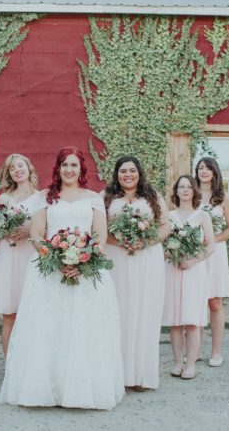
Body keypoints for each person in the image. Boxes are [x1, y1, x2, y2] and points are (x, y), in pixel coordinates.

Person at [0, 147, 125, 410]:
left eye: (74, 165)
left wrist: (83, 260)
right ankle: (46, 387)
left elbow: (100, 235)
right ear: (58, 168)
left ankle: (81, 388)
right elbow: (36, 234)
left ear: (81, 169)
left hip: (86, 269)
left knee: (82, 325)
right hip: (49, 269)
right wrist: (56, 259)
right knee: (48, 325)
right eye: (65, 165)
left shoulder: (92, 198)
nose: (69, 170)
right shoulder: (46, 197)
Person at [103, 156, 171, 392]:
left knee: (144, 311)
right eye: (123, 171)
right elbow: (99, 229)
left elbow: (165, 226)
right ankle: (118, 374)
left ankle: (141, 374)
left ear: (139, 173)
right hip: (116, 258)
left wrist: (144, 242)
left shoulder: (153, 196)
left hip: (147, 258)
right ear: (116, 174)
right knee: (118, 311)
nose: (128, 175)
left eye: (132, 170)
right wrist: (120, 241)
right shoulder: (107, 197)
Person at [0, 154, 45, 356]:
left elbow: (48, 227)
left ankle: (29, 364)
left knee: (32, 315)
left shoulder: (42, 197)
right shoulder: (4, 198)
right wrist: (5, 231)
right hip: (9, 256)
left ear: (29, 168)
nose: (17, 170)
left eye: (20, 165)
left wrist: (29, 231)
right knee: (9, 315)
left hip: (30, 254)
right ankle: (9, 365)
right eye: (12, 168)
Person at [163, 175, 216, 380]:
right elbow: (161, 243)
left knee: (192, 320)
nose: (185, 190)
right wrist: (170, 254)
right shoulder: (168, 216)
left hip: (194, 271)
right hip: (173, 269)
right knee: (175, 321)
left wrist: (193, 261)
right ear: (176, 191)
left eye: (189, 187)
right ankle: (177, 363)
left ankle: (191, 364)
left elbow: (210, 245)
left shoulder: (202, 216)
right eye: (181, 187)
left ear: (194, 191)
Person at [195, 157, 229, 367]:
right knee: (195, 302)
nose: (203, 171)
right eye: (200, 168)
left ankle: (216, 352)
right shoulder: (190, 196)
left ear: (215, 172)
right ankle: (194, 351)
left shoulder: (223, 199)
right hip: (194, 253)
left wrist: (212, 239)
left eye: (207, 168)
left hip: (216, 253)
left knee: (214, 302)